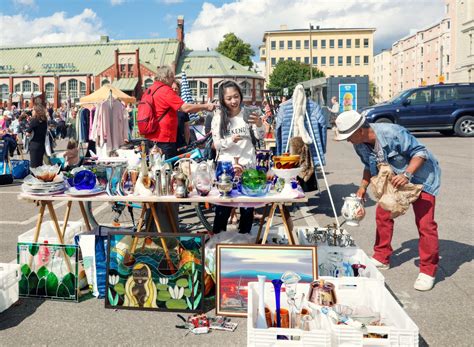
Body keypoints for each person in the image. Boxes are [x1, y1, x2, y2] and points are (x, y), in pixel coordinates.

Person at [334, 110, 441, 291]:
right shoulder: (359, 144)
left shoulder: (392, 132)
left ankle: (428, 270)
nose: (347, 140)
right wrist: (362, 187)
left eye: (348, 137)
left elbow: (420, 152)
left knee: (425, 225)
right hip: (393, 181)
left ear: (359, 131)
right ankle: (382, 257)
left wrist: (407, 174)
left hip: (421, 178)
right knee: (382, 215)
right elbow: (369, 165)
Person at [211, 80, 265, 234]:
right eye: (229, 98)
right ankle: (217, 243)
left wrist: (260, 124)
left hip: (248, 165)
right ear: (222, 99)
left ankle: (245, 242)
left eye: (236, 96)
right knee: (223, 209)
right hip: (226, 167)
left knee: (247, 209)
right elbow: (217, 145)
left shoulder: (248, 114)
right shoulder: (219, 117)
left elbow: (260, 137)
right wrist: (230, 140)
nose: (233, 101)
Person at [145, 65, 215, 158]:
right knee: (169, 169)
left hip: (151, 139)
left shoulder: (149, 90)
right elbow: (185, 108)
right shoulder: (165, 90)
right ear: (167, 77)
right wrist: (205, 106)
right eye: (172, 78)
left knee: (155, 166)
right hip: (165, 139)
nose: (172, 82)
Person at [171, 80, 190, 151]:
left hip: (180, 143)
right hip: (168, 143)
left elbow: (186, 127)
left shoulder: (183, 107)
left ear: (179, 91)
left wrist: (186, 143)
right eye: (172, 88)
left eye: (176, 89)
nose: (174, 90)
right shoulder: (166, 106)